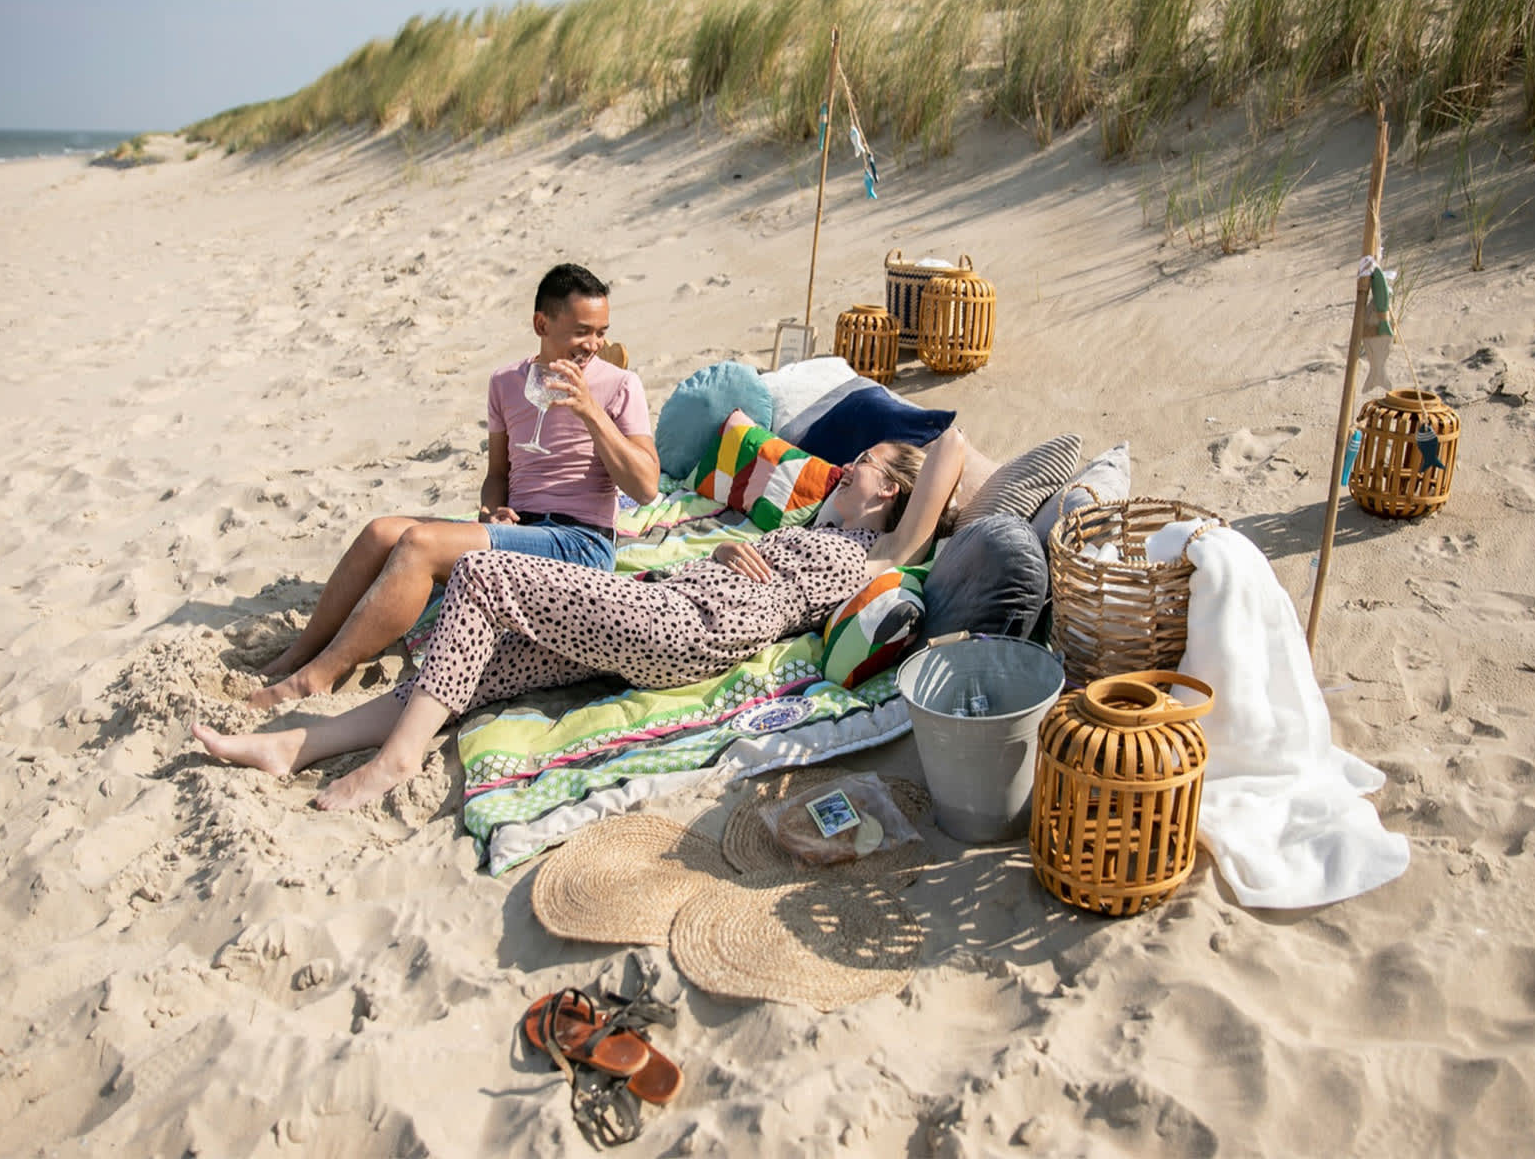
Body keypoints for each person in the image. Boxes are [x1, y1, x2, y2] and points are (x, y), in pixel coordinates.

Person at [194, 426, 967, 811]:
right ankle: (292, 747)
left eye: (863, 462)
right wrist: (729, 556)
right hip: (666, 612)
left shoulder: (877, 550)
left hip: (683, 626)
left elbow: (955, 446)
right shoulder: (810, 531)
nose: (846, 467)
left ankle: (395, 762)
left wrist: (914, 461)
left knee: (484, 573)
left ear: (893, 488)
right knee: (469, 667)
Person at [249, 264, 659, 709]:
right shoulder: (505, 383)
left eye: (601, 332)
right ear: (542, 324)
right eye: (583, 332)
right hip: (521, 531)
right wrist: (491, 511)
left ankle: (317, 678)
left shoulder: (621, 386)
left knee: (419, 544)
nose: (594, 345)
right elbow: (498, 475)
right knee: (379, 533)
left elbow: (646, 487)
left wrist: (590, 412)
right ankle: (298, 653)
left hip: (580, 543)